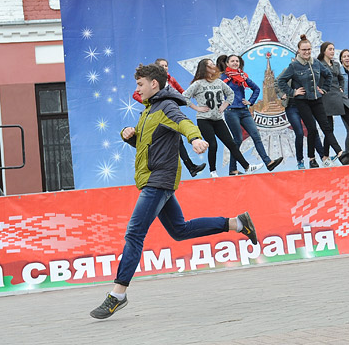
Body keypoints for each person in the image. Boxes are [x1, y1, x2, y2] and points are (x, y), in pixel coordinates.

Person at [89, 63, 258, 319]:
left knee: (134, 233)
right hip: (154, 179)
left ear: (154, 84)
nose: (138, 89)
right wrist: (130, 137)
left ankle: (118, 294)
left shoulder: (166, 107)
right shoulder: (148, 112)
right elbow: (148, 147)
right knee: (179, 230)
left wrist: (196, 139)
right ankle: (237, 223)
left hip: (159, 181)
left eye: (140, 84)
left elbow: (184, 124)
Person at [276, 35, 349, 168]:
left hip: (317, 99)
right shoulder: (294, 66)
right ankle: (311, 158)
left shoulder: (316, 62)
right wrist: (292, 92)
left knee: (326, 127)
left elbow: (328, 74)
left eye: (309, 49)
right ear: (299, 50)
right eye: (304, 50)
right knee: (312, 129)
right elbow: (280, 81)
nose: (306, 52)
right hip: (302, 102)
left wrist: (324, 89)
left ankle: (340, 154)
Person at [183, 59, 259, 177]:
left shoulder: (218, 82)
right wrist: (197, 108)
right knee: (213, 144)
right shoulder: (198, 84)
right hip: (204, 119)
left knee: (231, 143)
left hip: (218, 119)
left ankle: (247, 166)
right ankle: (213, 171)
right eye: (211, 64)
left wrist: (225, 105)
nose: (214, 66)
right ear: (205, 68)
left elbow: (230, 93)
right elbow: (184, 97)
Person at [133, 58, 206, 179]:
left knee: (177, 140)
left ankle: (190, 167)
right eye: (162, 65)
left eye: (166, 65)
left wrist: (195, 138)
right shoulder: (149, 101)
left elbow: (182, 95)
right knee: (173, 142)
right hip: (153, 175)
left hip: (169, 114)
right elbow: (136, 95)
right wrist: (150, 102)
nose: (165, 67)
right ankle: (190, 167)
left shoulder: (170, 81)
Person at [221, 54, 283, 174]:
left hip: (244, 111)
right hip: (231, 111)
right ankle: (232, 169)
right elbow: (216, 92)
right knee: (237, 140)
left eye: (237, 61)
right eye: (232, 61)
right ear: (227, 64)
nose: (235, 63)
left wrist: (251, 101)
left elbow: (257, 89)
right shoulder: (223, 78)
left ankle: (268, 162)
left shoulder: (243, 76)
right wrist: (222, 105)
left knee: (256, 135)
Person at [316, 41, 349, 166]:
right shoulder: (318, 64)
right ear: (324, 51)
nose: (333, 51)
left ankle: (326, 157)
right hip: (324, 99)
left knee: (330, 128)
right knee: (328, 128)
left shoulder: (335, 64)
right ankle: (328, 156)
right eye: (330, 49)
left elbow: (341, 78)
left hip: (335, 98)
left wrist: (341, 87)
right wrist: (320, 89)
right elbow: (315, 79)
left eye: (334, 49)